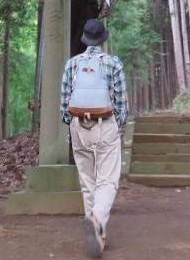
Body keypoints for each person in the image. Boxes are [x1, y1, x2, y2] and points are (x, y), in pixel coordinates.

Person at [60, 18, 129, 259]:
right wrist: (119, 126)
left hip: (79, 127)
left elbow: (64, 101)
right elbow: (121, 103)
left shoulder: (73, 63)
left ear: (85, 39)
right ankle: (97, 218)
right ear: (102, 39)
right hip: (105, 126)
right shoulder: (113, 63)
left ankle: (97, 236)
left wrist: (71, 124)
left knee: (87, 181)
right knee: (107, 180)